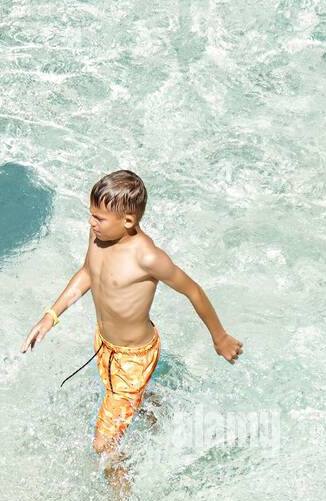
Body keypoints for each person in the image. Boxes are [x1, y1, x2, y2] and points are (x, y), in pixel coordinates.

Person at [21, 170, 243, 463]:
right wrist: (50, 316)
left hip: (134, 358)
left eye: (98, 218)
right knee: (123, 397)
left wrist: (220, 337)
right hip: (104, 345)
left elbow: (194, 291)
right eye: (92, 215)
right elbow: (89, 272)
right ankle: (156, 409)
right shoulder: (98, 237)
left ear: (127, 221)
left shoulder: (148, 258)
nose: (91, 223)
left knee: (104, 444)